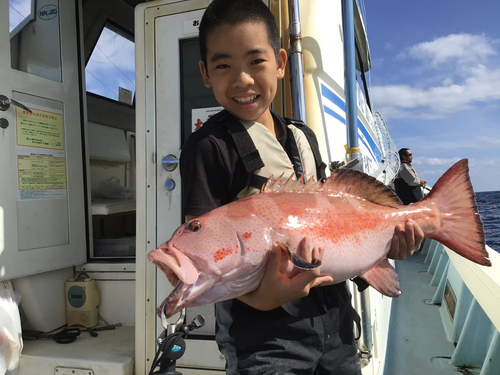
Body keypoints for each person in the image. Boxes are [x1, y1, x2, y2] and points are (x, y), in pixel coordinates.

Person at [180, 1, 424, 373]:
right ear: (205, 73)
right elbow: (204, 254)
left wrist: (383, 246)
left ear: (280, 63)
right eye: (223, 65)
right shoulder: (208, 147)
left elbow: (332, 212)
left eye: (255, 61)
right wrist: (266, 298)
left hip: (335, 318)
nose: (243, 79)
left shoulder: (303, 136)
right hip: (262, 338)